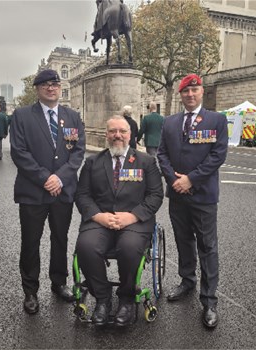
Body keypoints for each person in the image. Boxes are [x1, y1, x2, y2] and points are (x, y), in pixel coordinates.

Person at [10, 69, 85, 315]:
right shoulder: (22, 116)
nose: (50, 88)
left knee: (60, 238)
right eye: (45, 85)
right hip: (33, 192)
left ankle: (59, 282)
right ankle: (30, 291)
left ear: (59, 86)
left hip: (62, 191)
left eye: (54, 84)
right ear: (37, 89)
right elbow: (19, 152)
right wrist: (46, 178)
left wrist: (60, 178)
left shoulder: (72, 117)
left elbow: (77, 152)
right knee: (30, 242)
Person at [75, 115, 163, 327]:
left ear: (130, 135)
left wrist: (131, 216)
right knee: (85, 246)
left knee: (129, 247)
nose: (117, 135)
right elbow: (83, 195)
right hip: (100, 219)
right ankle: (103, 298)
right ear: (106, 135)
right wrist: (99, 216)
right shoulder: (93, 162)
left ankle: (126, 298)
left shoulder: (146, 162)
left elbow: (155, 196)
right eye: (113, 131)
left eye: (122, 131)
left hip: (135, 221)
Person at [157, 74, 228, 328]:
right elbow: (161, 153)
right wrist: (174, 180)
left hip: (203, 195)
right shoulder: (170, 122)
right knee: (183, 240)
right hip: (177, 194)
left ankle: (209, 300)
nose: (190, 94)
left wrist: (191, 180)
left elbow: (218, 155)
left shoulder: (217, 120)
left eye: (194, 90)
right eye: (186, 91)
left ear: (201, 91)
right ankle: (187, 281)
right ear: (181, 94)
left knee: (207, 247)